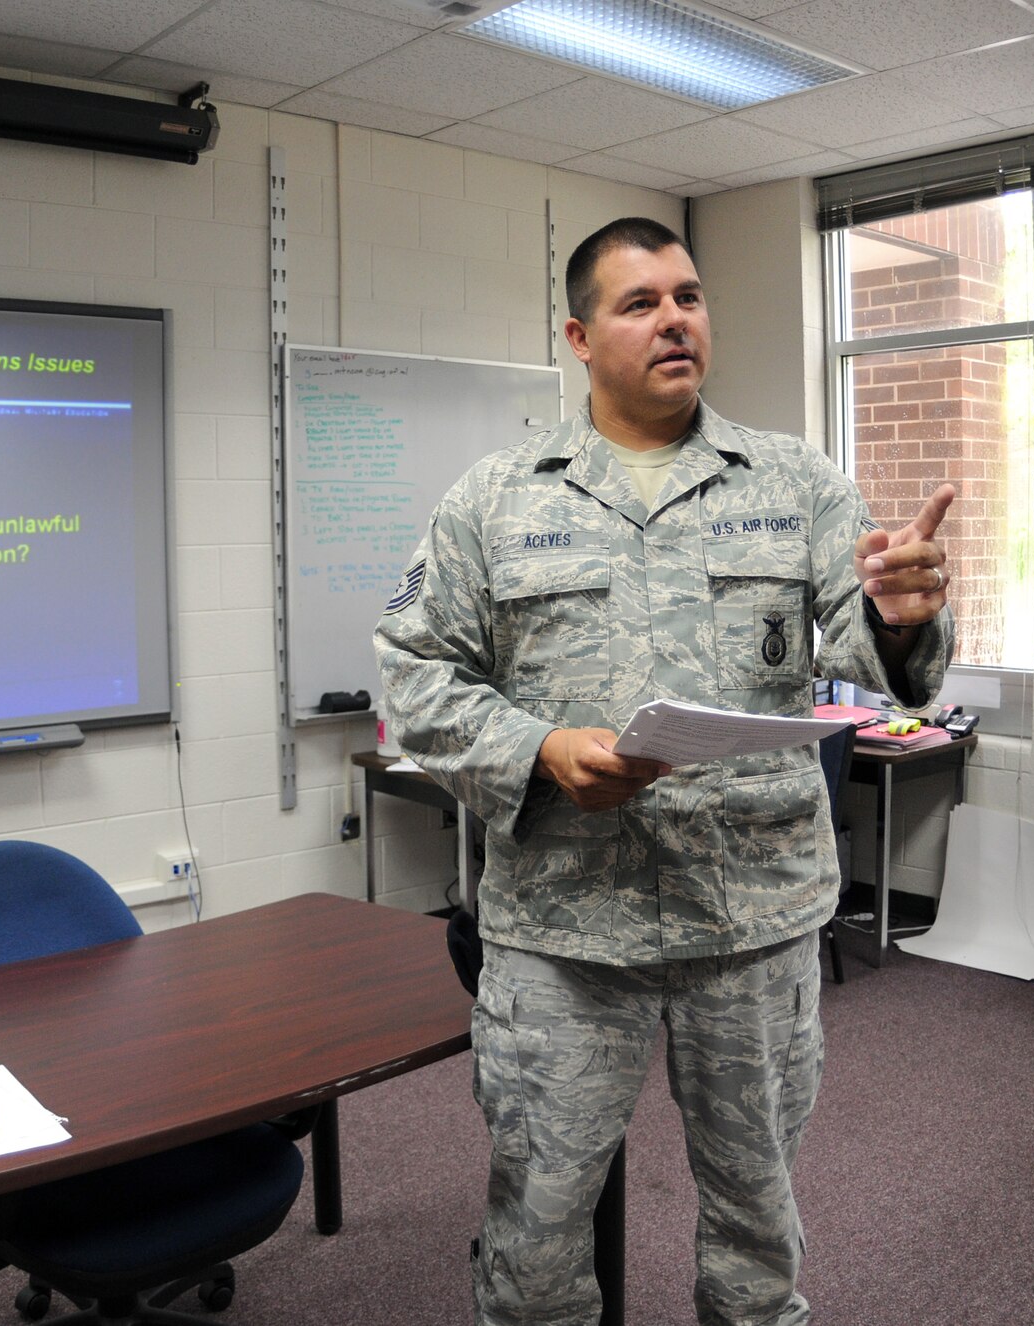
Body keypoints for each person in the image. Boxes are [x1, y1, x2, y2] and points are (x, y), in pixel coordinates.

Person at [375, 216, 957, 1326]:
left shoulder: (793, 483)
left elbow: (887, 660)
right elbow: (412, 672)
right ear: (579, 337)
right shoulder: (494, 500)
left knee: (755, 1227)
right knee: (537, 1235)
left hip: (749, 926)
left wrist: (897, 616)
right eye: (638, 303)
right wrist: (536, 749)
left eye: (687, 296)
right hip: (562, 932)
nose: (673, 319)